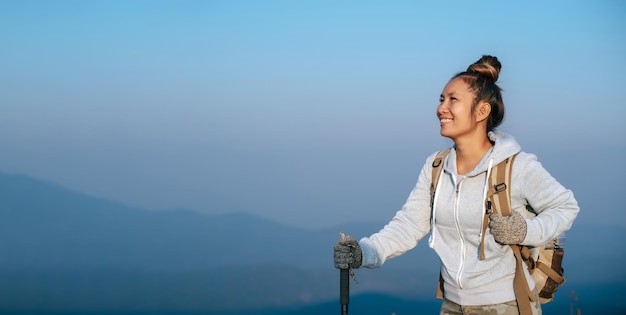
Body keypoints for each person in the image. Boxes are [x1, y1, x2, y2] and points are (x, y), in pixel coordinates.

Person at [333, 55, 579, 315]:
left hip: (507, 305)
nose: (441, 108)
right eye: (441, 99)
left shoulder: (516, 166)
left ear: (482, 111)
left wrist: (525, 231)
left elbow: (566, 207)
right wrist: (364, 252)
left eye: (453, 100)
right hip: (452, 305)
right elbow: (409, 225)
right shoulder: (436, 166)